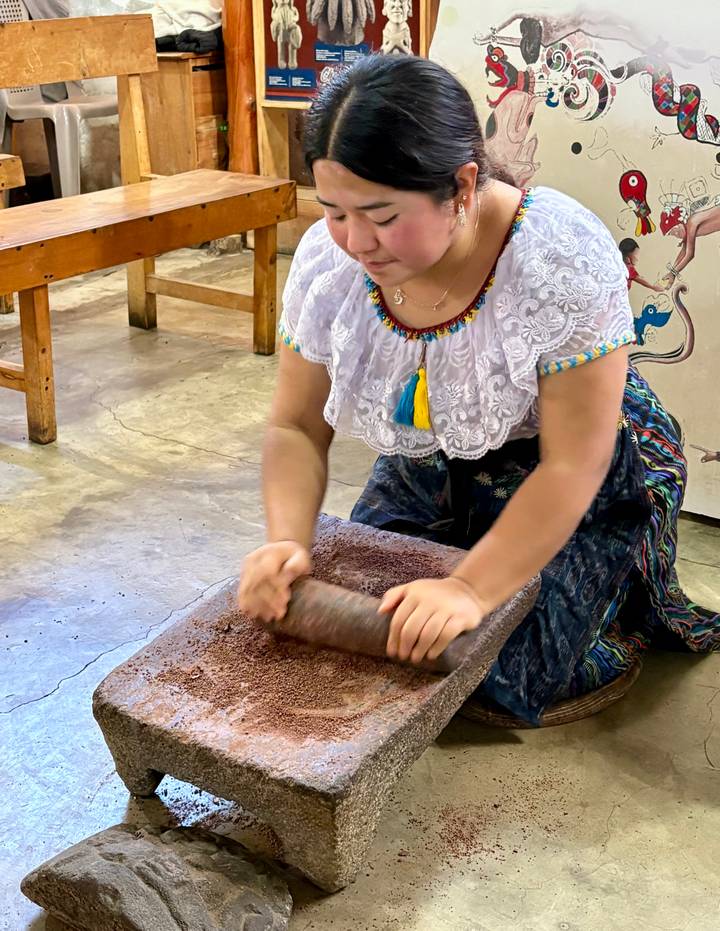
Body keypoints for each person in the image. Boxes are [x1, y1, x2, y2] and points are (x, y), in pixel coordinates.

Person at [238, 55, 718, 725]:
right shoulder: (333, 260)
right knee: (379, 611)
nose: (355, 242)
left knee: (499, 662)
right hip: (439, 450)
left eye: (379, 215)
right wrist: (287, 540)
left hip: (575, 455)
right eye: (334, 211)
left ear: (463, 186)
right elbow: (294, 426)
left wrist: (468, 588)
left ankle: (619, 619)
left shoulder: (556, 258)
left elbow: (574, 462)